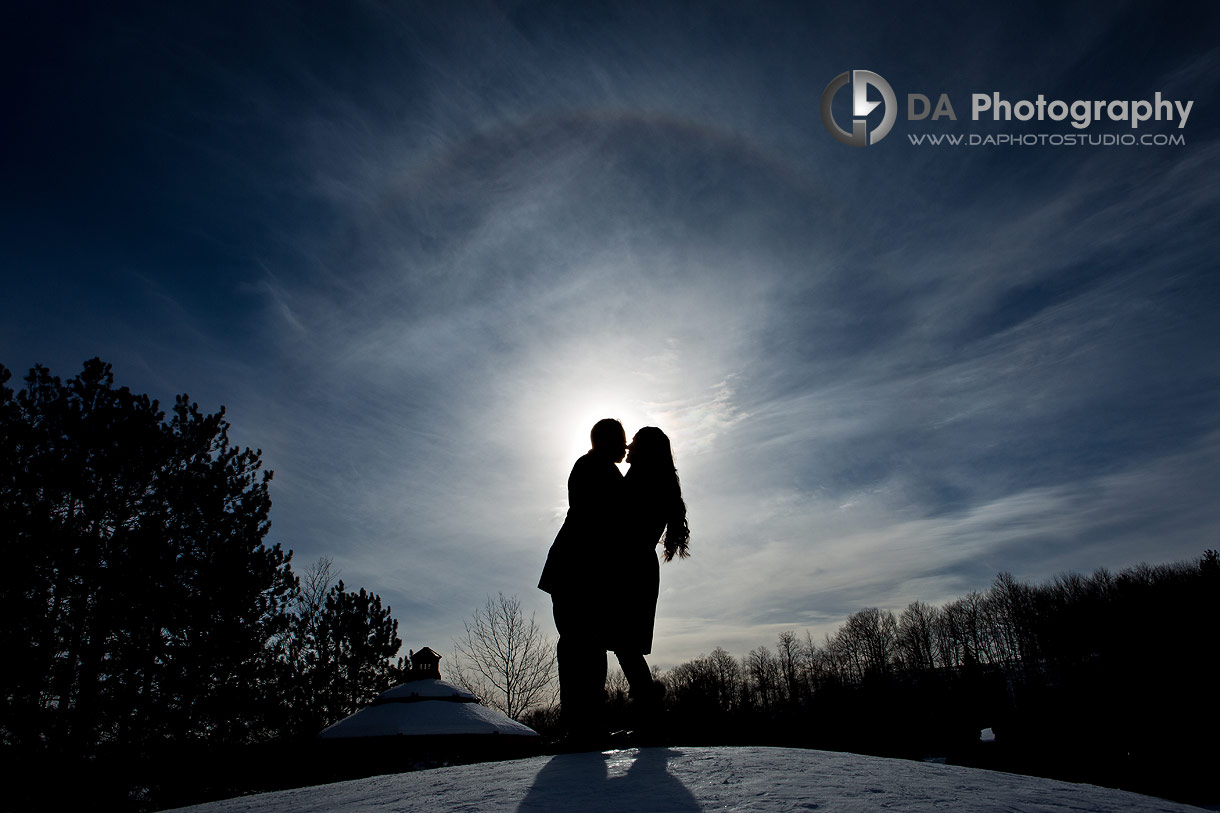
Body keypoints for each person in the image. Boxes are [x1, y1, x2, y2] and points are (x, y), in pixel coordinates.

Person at [538, 418, 626, 741]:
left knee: (589, 645)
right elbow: (600, 519)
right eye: (620, 440)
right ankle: (579, 725)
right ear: (605, 441)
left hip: (582, 572)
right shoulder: (593, 468)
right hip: (573, 571)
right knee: (578, 645)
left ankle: (589, 723)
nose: (625, 446)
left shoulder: (602, 469)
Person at [608, 426, 690, 725]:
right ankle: (651, 715)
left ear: (645, 450)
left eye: (635, 444)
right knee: (624, 645)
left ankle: (652, 717)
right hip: (638, 566)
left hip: (630, 567)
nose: (628, 447)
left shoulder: (643, 480)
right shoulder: (659, 480)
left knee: (624, 645)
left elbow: (620, 520)